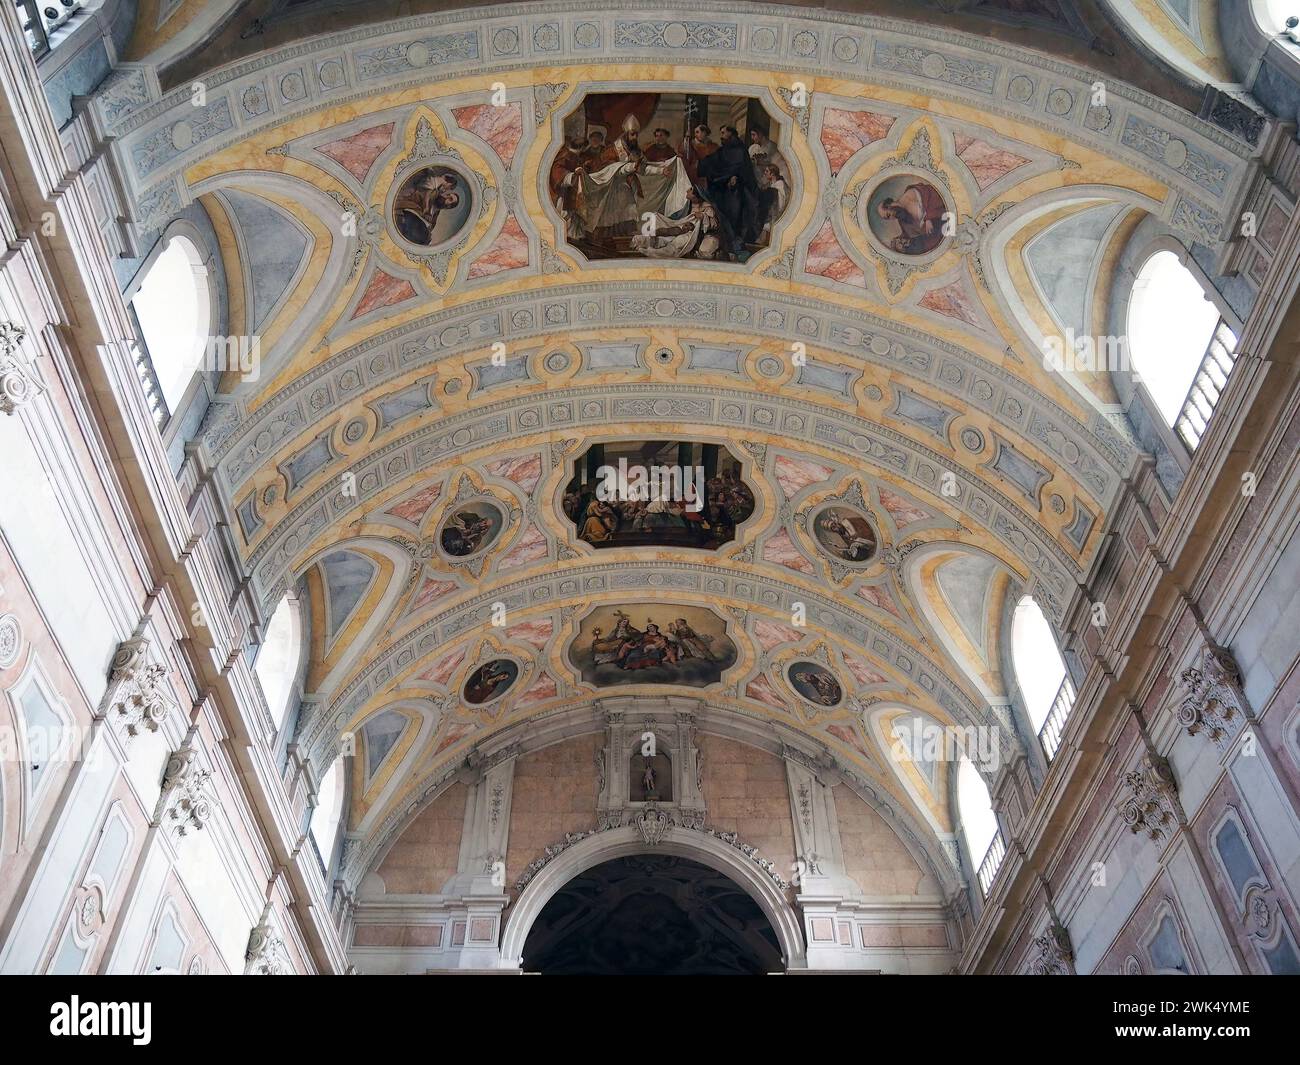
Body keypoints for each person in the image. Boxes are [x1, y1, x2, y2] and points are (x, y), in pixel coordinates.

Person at [699, 126, 760, 254]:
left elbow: (744, 169)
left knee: (735, 212)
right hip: (724, 187)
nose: (721, 136)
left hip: (738, 189)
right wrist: (701, 163)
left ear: (731, 133)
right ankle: (727, 241)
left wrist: (735, 176)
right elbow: (715, 161)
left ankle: (736, 242)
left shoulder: (740, 149)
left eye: (723, 133)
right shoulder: (724, 149)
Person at [877, 182, 946, 254]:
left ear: (889, 205)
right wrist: (898, 241)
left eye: (888, 215)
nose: (892, 218)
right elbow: (909, 235)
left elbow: (933, 193)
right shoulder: (902, 220)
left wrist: (929, 218)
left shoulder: (911, 194)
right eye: (888, 219)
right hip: (937, 238)